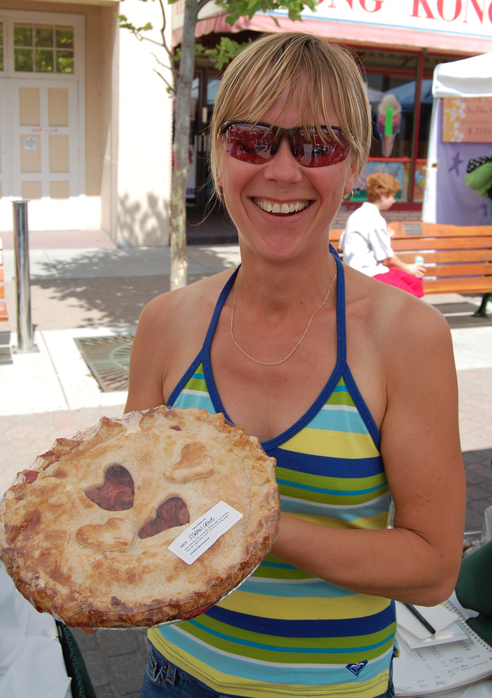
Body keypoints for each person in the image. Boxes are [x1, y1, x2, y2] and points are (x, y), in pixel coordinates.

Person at [125, 33, 466, 698]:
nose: (282, 171)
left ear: (353, 164)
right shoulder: (165, 323)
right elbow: (142, 510)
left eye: (315, 145)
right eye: (252, 140)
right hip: (175, 674)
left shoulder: (406, 337)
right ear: (219, 155)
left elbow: (432, 567)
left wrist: (256, 525)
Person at [341, 173, 426, 297]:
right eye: (392, 196)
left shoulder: (358, 214)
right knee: (409, 297)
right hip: (367, 273)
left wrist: (385, 236)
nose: (394, 200)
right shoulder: (374, 218)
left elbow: (342, 245)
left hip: (367, 270)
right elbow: (387, 257)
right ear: (383, 195)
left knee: (415, 283)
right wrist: (408, 268)